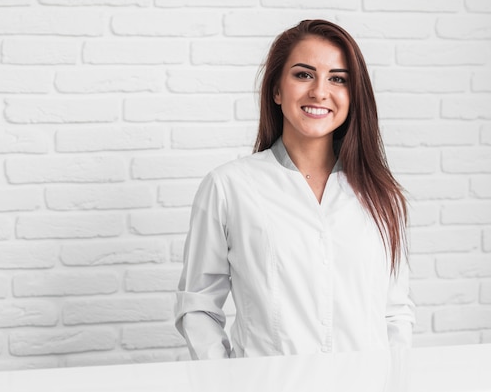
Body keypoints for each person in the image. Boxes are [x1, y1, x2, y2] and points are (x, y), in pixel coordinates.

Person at [175, 19, 414, 360]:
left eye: (338, 79)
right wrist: (226, 380)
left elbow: (395, 312)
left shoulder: (381, 196)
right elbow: (197, 305)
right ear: (276, 90)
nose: (320, 91)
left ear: (352, 95)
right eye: (303, 75)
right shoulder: (229, 187)